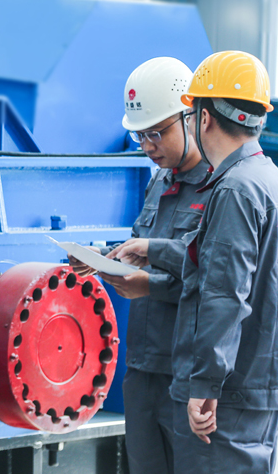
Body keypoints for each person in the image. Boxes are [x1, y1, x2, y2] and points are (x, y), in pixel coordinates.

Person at [109, 51, 278, 474]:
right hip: (249, 381)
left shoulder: (233, 188)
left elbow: (224, 292)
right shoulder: (274, 183)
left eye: (156, 132)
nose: (148, 145)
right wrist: (151, 252)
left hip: (230, 386)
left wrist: (206, 384)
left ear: (201, 117)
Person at [70, 57, 211, 474]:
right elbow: (143, 247)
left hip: (188, 374)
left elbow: (219, 279)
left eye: (157, 132)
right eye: (140, 135)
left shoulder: (220, 190)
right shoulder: (159, 182)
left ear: (191, 118)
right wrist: (102, 258)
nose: (148, 145)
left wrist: (150, 286)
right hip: (144, 367)